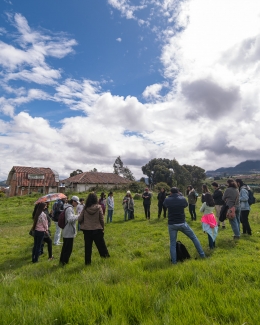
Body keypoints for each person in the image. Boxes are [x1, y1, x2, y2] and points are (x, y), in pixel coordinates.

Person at [163, 187, 205, 264]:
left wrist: (170, 196)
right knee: (194, 238)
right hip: (182, 223)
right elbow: (185, 205)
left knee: (172, 243)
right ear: (178, 192)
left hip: (172, 224)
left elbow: (165, 205)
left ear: (171, 192)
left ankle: (174, 262)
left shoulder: (167, 199)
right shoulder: (182, 199)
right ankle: (202, 255)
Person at [78, 192, 110, 265]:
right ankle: (106, 259)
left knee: (88, 248)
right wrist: (103, 228)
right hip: (97, 229)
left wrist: (84, 224)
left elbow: (79, 219)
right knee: (101, 246)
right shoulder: (99, 207)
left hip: (87, 231)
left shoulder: (85, 208)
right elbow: (102, 219)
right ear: (96, 199)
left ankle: (87, 263)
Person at [59, 196, 80, 265]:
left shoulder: (67, 207)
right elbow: (70, 219)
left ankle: (62, 261)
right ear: (73, 201)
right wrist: (78, 216)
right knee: (68, 249)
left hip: (67, 231)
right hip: (68, 232)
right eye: (76, 203)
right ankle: (65, 262)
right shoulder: (69, 209)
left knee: (65, 247)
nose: (77, 204)